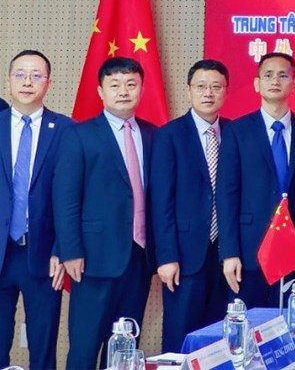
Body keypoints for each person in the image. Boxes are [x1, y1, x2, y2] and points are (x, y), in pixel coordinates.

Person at [54, 57, 155, 370]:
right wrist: (70, 251)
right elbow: (66, 199)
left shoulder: (153, 135)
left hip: (139, 257)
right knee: (85, 346)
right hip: (92, 259)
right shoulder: (79, 135)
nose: (123, 91)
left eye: (131, 84)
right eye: (115, 85)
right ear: (100, 91)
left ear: (141, 89)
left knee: (125, 347)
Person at [218, 52, 295, 308]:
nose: (275, 81)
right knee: (249, 323)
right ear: (257, 84)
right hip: (250, 250)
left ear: (294, 84)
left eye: (283, 75)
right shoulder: (237, 131)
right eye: (268, 75)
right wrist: (229, 252)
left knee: (293, 322)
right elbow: (227, 195)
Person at [150, 59, 231, 352]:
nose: (208, 93)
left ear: (226, 91)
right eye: (201, 86)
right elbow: (161, 202)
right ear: (188, 90)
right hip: (184, 256)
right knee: (180, 337)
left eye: (216, 86)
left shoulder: (235, 133)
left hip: (226, 255)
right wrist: (166, 256)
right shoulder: (169, 135)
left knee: (220, 339)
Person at [0, 51, 71, 370]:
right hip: (2, 250)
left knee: (43, 347)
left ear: (48, 83)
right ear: (8, 80)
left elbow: (72, 197)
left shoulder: (67, 130)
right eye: (20, 74)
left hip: (44, 253)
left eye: (36, 75)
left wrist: (62, 249)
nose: (27, 82)